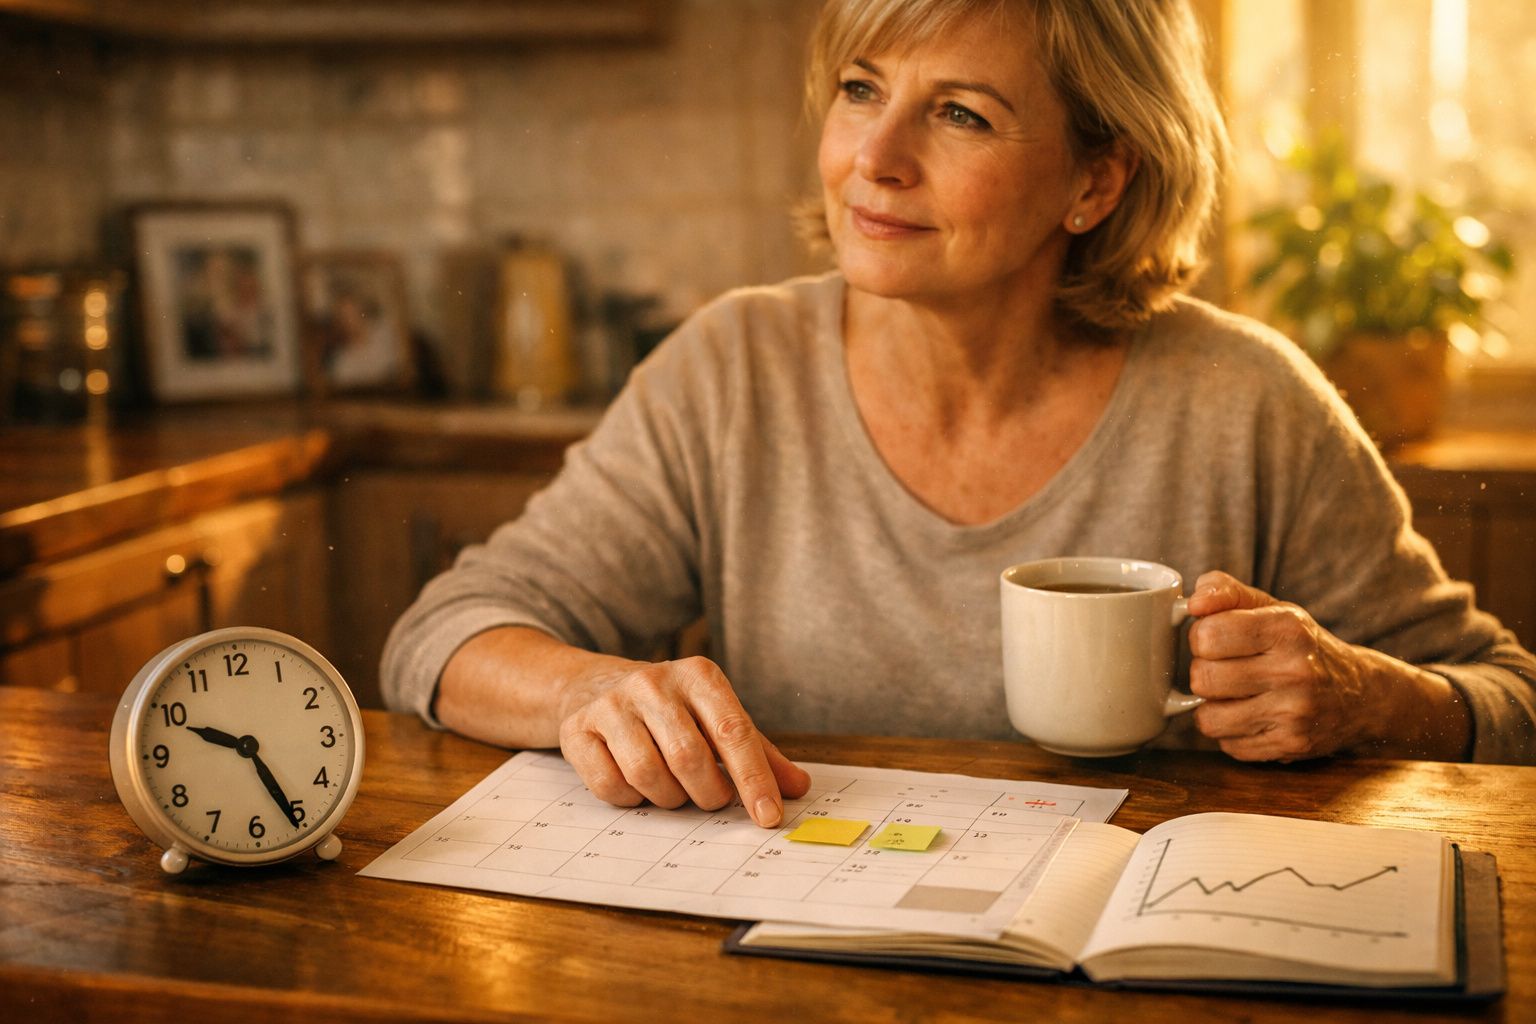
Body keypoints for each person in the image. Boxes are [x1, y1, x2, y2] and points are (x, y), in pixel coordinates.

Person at [382, 0, 1536, 828]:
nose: (874, 159)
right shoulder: (732, 369)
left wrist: (1370, 696)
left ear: (1096, 181)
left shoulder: (1249, 401)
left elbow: (1511, 703)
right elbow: (445, 634)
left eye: (962, 115)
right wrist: (584, 687)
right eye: (860, 90)